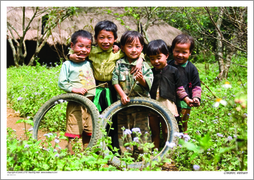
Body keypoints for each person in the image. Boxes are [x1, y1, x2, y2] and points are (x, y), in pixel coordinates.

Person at [68, 20, 144, 151]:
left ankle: (113, 149)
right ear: (95, 39)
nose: (105, 41)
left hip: (113, 89)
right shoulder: (91, 51)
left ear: (115, 39)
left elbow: (135, 51)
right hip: (95, 90)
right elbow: (76, 51)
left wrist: (140, 60)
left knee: (113, 119)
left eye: (109, 38)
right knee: (95, 119)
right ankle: (95, 148)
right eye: (101, 37)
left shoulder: (118, 52)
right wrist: (70, 55)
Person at [112, 31, 154, 154]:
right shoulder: (119, 64)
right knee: (124, 130)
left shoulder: (145, 65)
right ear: (123, 48)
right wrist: (122, 95)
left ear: (142, 48)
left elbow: (149, 84)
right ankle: (126, 156)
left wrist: (141, 80)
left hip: (142, 106)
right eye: (129, 46)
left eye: (137, 46)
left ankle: (143, 155)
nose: (134, 50)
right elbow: (115, 81)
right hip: (123, 106)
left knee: (142, 130)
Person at [147, 39, 193, 149]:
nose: (156, 62)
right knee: (154, 132)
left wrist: (187, 99)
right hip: (153, 106)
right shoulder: (150, 72)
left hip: (168, 105)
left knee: (167, 131)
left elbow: (179, 89)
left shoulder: (173, 71)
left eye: (159, 58)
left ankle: (168, 155)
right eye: (152, 59)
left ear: (167, 55)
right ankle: (155, 154)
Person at [58, 30, 96, 154]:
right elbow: (62, 82)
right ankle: (73, 158)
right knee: (73, 133)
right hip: (75, 104)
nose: (84, 50)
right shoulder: (67, 64)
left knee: (89, 132)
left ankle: (86, 156)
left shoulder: (90, 62)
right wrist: (75, 89)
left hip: (90, 105)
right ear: (72, 46)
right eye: (80, 46)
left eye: (87, 47)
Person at [167, 34, 202, 134]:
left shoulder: (192, 68)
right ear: (172, 50)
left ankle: (183, 142)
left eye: (184, 52)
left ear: (190, 53)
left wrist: (196, 98)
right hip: (170, 99)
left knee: (183, 124)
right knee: (170, 122)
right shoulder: (168, 65)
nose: (180, 55)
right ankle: (171, 140)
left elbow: (196, 86)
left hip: (185, 102)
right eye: (177, 51)